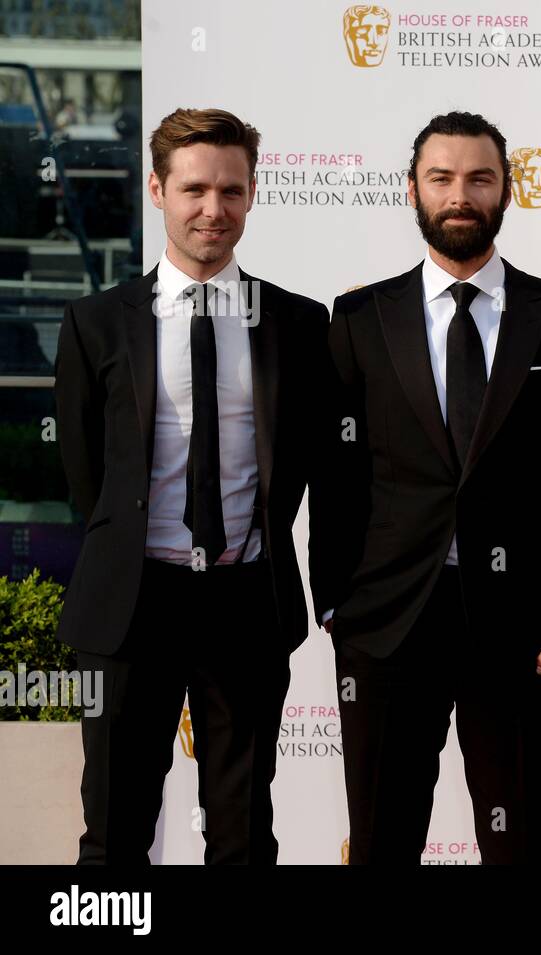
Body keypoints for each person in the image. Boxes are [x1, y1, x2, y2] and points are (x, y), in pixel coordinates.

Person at [54, 107, 335, 863]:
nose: (214, 209)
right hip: (131, 602)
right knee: (114, 828)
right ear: (157, 188)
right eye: (195, 189)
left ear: (252, 193)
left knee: (242, 833)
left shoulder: (300, 325)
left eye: (232, 190)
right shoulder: (96, 323)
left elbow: (317, 465)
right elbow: (86, 475)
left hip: (246, 599)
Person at [324, 111, 541, 864]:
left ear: (507, 189)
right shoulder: (358, 319)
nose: (460, 194)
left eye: (479, 177)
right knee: (383, 839)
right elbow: (337, 474)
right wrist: (337, 604)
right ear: (411, 189)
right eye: (441, 177)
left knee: (517, 843)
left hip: (520, 626)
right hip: (386, 624)